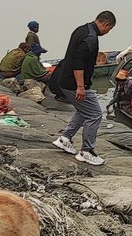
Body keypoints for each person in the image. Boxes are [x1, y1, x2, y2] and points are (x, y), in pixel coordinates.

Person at [48, 11, 116, 166]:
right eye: (109, 29)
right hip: (74, 83)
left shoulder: (82, 29)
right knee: (95, 114)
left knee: (83, 110)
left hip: (64, 79)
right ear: (105, 24)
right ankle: (87, 151)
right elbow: (78, 62)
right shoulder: (90, 38)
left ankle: (65, 138)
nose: (108, 32)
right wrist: (80, 87)